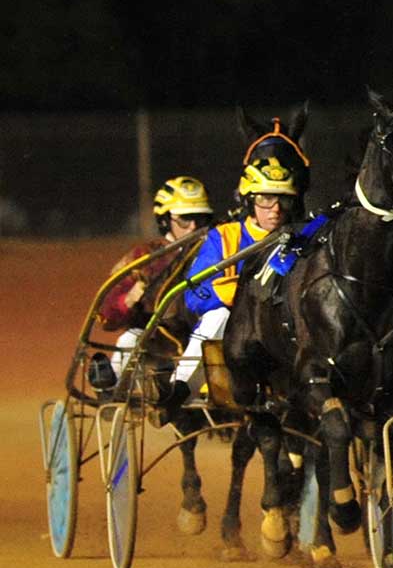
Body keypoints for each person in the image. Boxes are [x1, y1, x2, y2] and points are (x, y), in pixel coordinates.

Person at [169, 156, 305, 406]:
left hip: (282, 333)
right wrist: (236, 295)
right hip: (234, 331)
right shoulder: (223, 237)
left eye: (283, 199)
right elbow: (194, 294)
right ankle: (180, 390)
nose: (275, 208)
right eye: (265, 198)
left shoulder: (301, 240)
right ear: (249, 200)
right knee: (217, 316)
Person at [95, 177, 217, 384]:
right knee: (129, 339)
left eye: (201, 219)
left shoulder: (219, 251)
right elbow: (106, 315)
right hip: (158, 345)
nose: (194, 227)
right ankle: (112, 392)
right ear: (164, 220)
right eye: (185, 220)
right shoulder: (145, 257)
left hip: (207, 342)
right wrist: (131, 297)